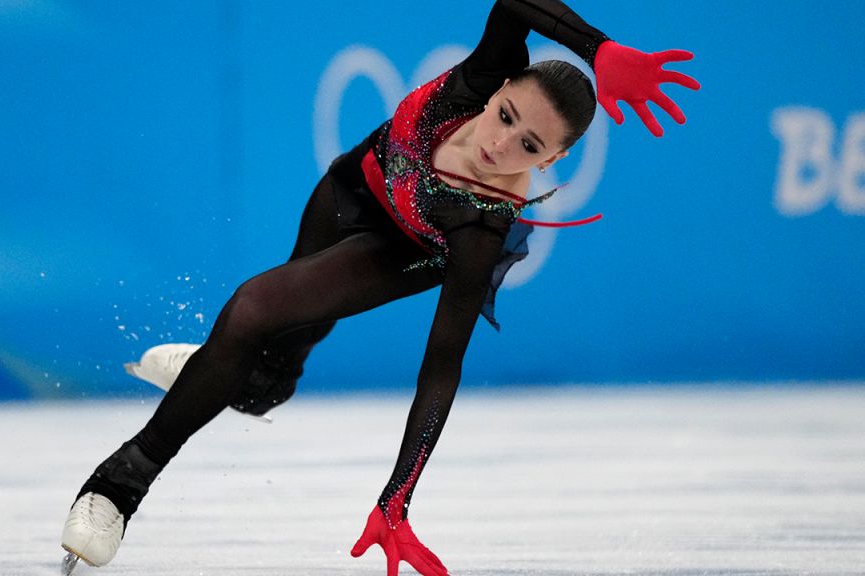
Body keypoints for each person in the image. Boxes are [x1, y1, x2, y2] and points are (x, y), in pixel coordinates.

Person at [59, 1, 699, 575]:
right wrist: (599, 48)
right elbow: (514, 3)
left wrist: (398, 498)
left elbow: (441, 368)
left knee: (254, 314)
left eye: (527, 144)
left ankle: (117, 488)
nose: (498, 143)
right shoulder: (482, 72)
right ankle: (223, 373)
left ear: (551, 161)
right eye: (504, 115)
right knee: (265, 355)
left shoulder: (482, 226)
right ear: (500, 85)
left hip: (401, 253)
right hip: (351, 190)